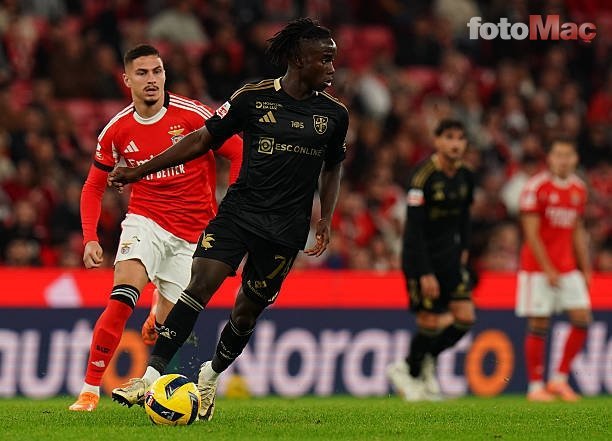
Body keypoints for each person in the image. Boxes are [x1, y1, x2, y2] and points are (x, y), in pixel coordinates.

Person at [108, 18, 348, 422]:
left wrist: (325, 218)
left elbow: (333, 166)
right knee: (199, 284)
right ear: (297, 59)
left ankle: (211, 374)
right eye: (324, 59)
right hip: (239, 214)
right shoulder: (252, 99)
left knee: (246, 312)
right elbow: (203, 138)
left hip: (286, 229)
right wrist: (139, 170)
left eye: (333, 60)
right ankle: (149, 377)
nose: (331, 68)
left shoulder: (334, 114)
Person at [68, 44, 243, 411]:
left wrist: (233, 211)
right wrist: (90, 238)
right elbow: (93, 186)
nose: (152, 79)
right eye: (143, 73)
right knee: (122, 297)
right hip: (145, 221)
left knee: (172, 325)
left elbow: (238, 151)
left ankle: (158, 312)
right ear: (127, 79)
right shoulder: (116, 130)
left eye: (157, 71)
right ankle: (89, 390)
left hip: (193, 235)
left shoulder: (193, 115)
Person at [386, 119, 476, 401]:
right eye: (449, 137)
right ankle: (410, 372)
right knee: (429, 320)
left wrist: (464, 249)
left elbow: (465, 217)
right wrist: (424, 272)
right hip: (421, 257)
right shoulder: (422, 176)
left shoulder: (466, 175)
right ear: (437, 141)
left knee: (465, 317)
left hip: (450, 257)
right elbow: (413, 230)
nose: (455, 144)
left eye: (460, 138)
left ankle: (418, 362)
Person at [516, 139, 591, 402]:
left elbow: (576, 230)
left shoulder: (579, 189)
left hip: (567, 267)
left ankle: (559, 379)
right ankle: (535, 386)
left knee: (582, 318)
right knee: (539, 323)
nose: (563, 160)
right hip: (537, 269)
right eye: (558, 155)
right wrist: (547, 268)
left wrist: (585, 267)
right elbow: (531, 233)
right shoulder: (535, 187)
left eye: (568, 155)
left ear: (576, 158)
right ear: (549, 158)